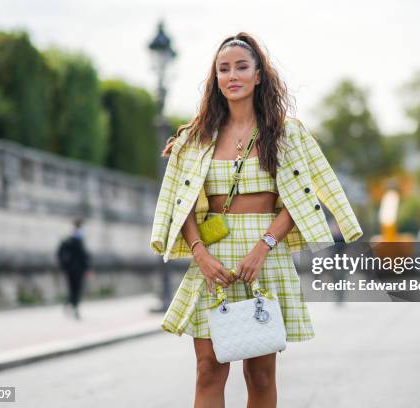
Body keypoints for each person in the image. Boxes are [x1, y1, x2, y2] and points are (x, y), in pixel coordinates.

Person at [149, 33, 363, 407]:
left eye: (241, 67)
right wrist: (199, 253)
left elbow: (300, 200)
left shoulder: (287, 133)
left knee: (260, 375)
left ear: (259, 75)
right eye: (223, 69)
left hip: (266, 252)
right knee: (208, 369)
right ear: (215, 78)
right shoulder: (195, 138)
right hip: (211, 255)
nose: (232, 75)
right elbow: (181, 205)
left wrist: (263, 247)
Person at [57, 218, 90, 320]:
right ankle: (74, 307)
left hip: (72, 269)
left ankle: (70, 305)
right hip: (76, 269)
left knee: (73, 289)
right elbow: (83, 255)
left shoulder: (71, 238)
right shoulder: (75, 238)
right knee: (76, 289)